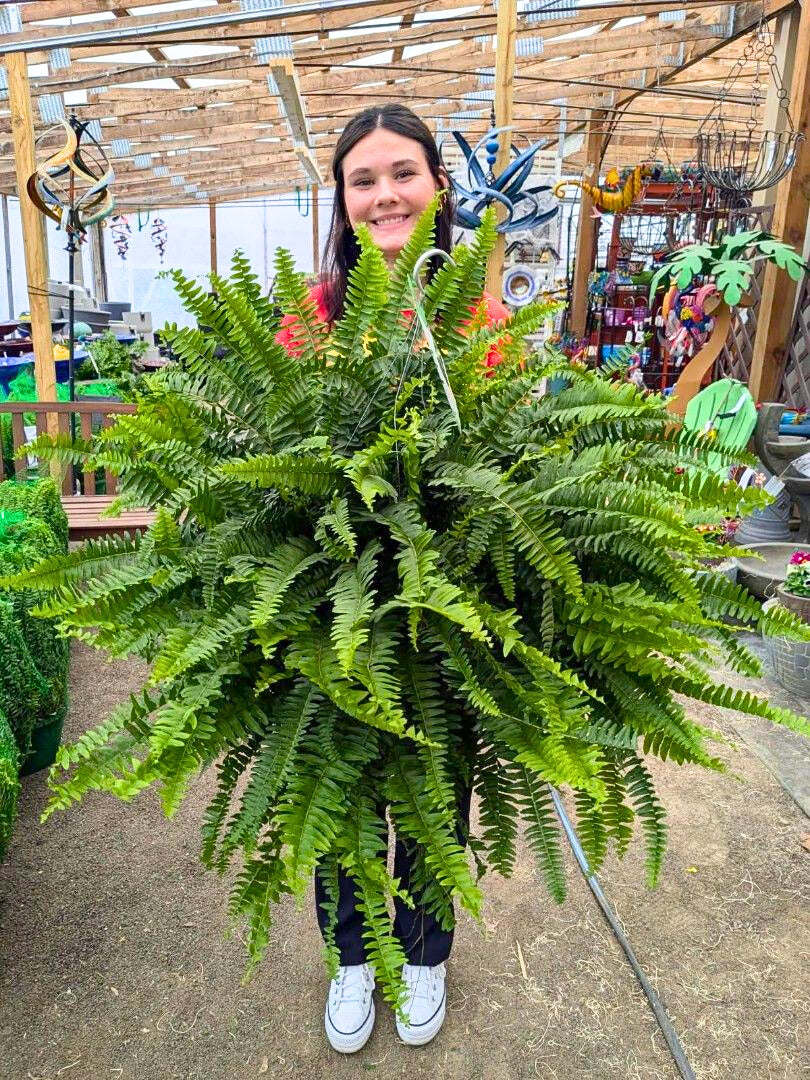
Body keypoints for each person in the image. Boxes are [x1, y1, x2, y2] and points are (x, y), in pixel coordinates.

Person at [276, 103, 509, 1055]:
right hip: (333, 612)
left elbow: (515, 461)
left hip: (445, 615)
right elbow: (276, 457)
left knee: (431, 789)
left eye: (402, 173)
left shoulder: (485, 314)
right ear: (341, 198)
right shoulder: (307, 315)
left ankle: (422, 958)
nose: (384, 195)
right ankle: (352, 960)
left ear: (437, 185)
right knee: (336, 795)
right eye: (363, 179)